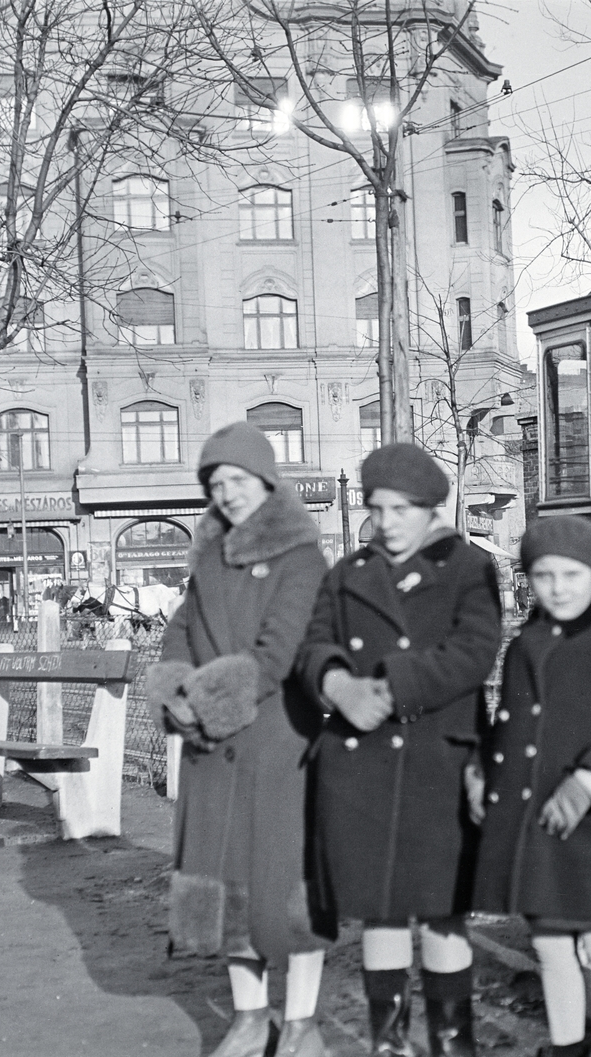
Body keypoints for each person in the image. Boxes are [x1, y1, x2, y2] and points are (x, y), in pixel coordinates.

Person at [296, 443, 503, 1057]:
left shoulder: (467, 566)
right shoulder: (348, 573)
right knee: (379, 909)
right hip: (361, 767)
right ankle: (389, 1043)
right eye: (376, 508)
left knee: (443, 910)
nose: (384, 522)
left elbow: (475, 650)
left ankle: (451, 1042)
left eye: (399, 510)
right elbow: (314, 644)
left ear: (431, 509)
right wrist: (336, 683)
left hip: (439, 759)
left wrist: (390, 689)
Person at [145, 422, 333, 1057]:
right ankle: (252, 1018)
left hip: (281, 744)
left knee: (289, 890)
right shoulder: (207, 558)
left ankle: (302, 1022)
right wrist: (174, 690)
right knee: (223, 884)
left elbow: (278, 650)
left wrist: (207, 705)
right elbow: (180, 630)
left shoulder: (301, 556)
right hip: (213, 751)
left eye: (238, 480)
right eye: (216, 483)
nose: (227, 494)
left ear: (265, 481)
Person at [468, 516, 591, 1057]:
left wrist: (589, 782)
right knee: (550, 944)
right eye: (544, 575)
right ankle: (568, 1044)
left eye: (571, 574)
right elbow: (512, 723)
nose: (557, 587)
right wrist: (490, 775)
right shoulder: (528, 640)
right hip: (535, 820)